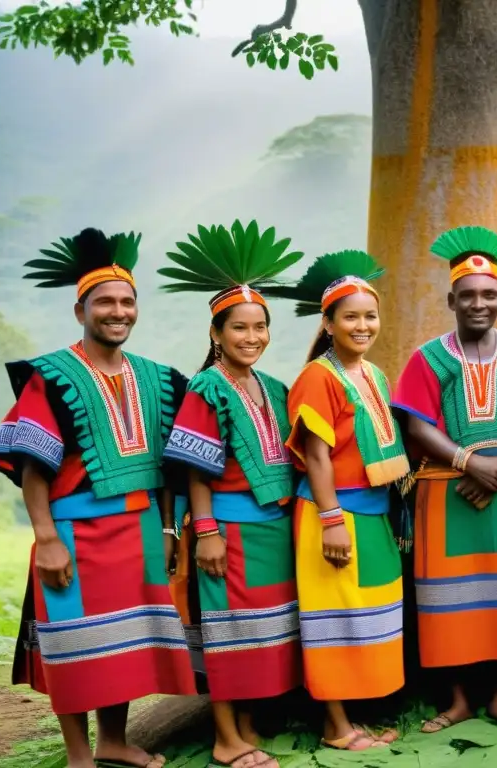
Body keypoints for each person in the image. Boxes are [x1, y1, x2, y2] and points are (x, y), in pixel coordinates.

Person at [0, 228, 196, 768]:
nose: (118, 311)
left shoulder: (160, 379)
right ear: (80, 309)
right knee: (75, 645)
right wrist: (47, 538)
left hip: (143, 529)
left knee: (123, 643)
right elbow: (34, 466)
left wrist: (170, 531)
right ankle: (79, 755)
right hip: (74, 533)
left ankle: (114, 742)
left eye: (127, 301)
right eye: (105, 301)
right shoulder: (52, 376)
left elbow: (172, 468)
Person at [391, 226, 497, 735]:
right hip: (447, 492)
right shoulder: (428, 358)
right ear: (451, 299)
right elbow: (417, 426)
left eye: (489, 294)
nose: (478, 303)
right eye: (467, 295)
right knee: (450, 599)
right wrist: (471, 463)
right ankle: (460, 700)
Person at [158, 221, 304, 768]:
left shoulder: (274, 387)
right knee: (226, 630)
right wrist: (208, 533)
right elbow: (196, 469)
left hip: (273, 528)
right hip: (229, 530)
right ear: (217, 333)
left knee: (262, 629)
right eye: (239, 328)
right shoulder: (208, 387)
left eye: (261, 327)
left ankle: (246, 725)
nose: (252, 337)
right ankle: (224, 736)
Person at [267, 251, 410, 751]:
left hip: (369, 511)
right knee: (333, 616)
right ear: (328, 323)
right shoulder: (317, 378)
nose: (362, 325)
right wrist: (331, 520)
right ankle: (334, 725)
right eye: (350, 316)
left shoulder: (373, 375)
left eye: (370, 315)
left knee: (364, 613)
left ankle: (353, 718)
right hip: (334, 512)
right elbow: (318, 456)